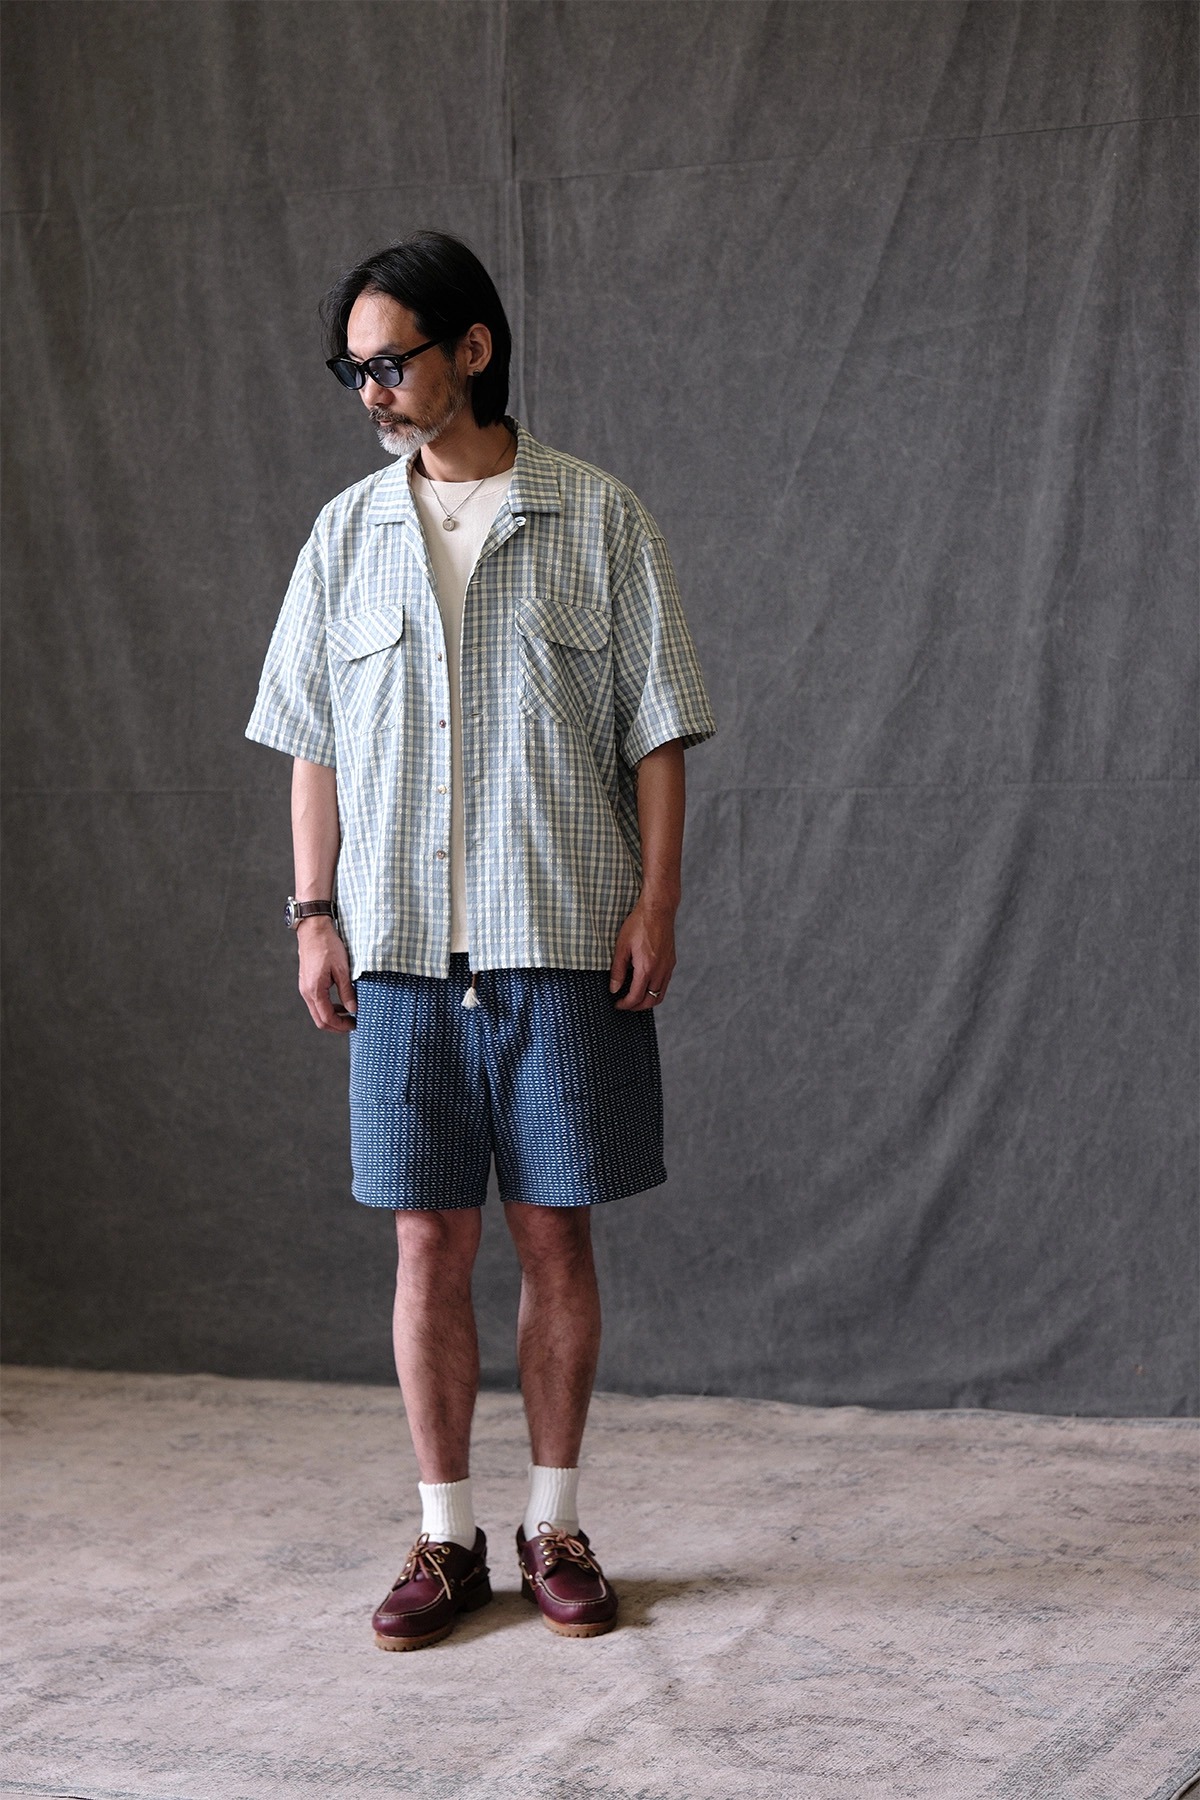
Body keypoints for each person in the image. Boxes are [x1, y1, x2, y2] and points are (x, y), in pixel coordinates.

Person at [245, 231, 716, 1650]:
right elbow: (312, 742)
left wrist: (657, 903)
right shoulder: (344, 537)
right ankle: (445, 1537)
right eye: (354, 369)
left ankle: (554, 1522)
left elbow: (658, 732)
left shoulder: (600, 517)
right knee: (424, 1241)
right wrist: (313, 912)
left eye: (391, 361)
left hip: (559, 939)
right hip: (398, 953)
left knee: (554, 1231)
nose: (372, 391)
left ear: (473, 348)